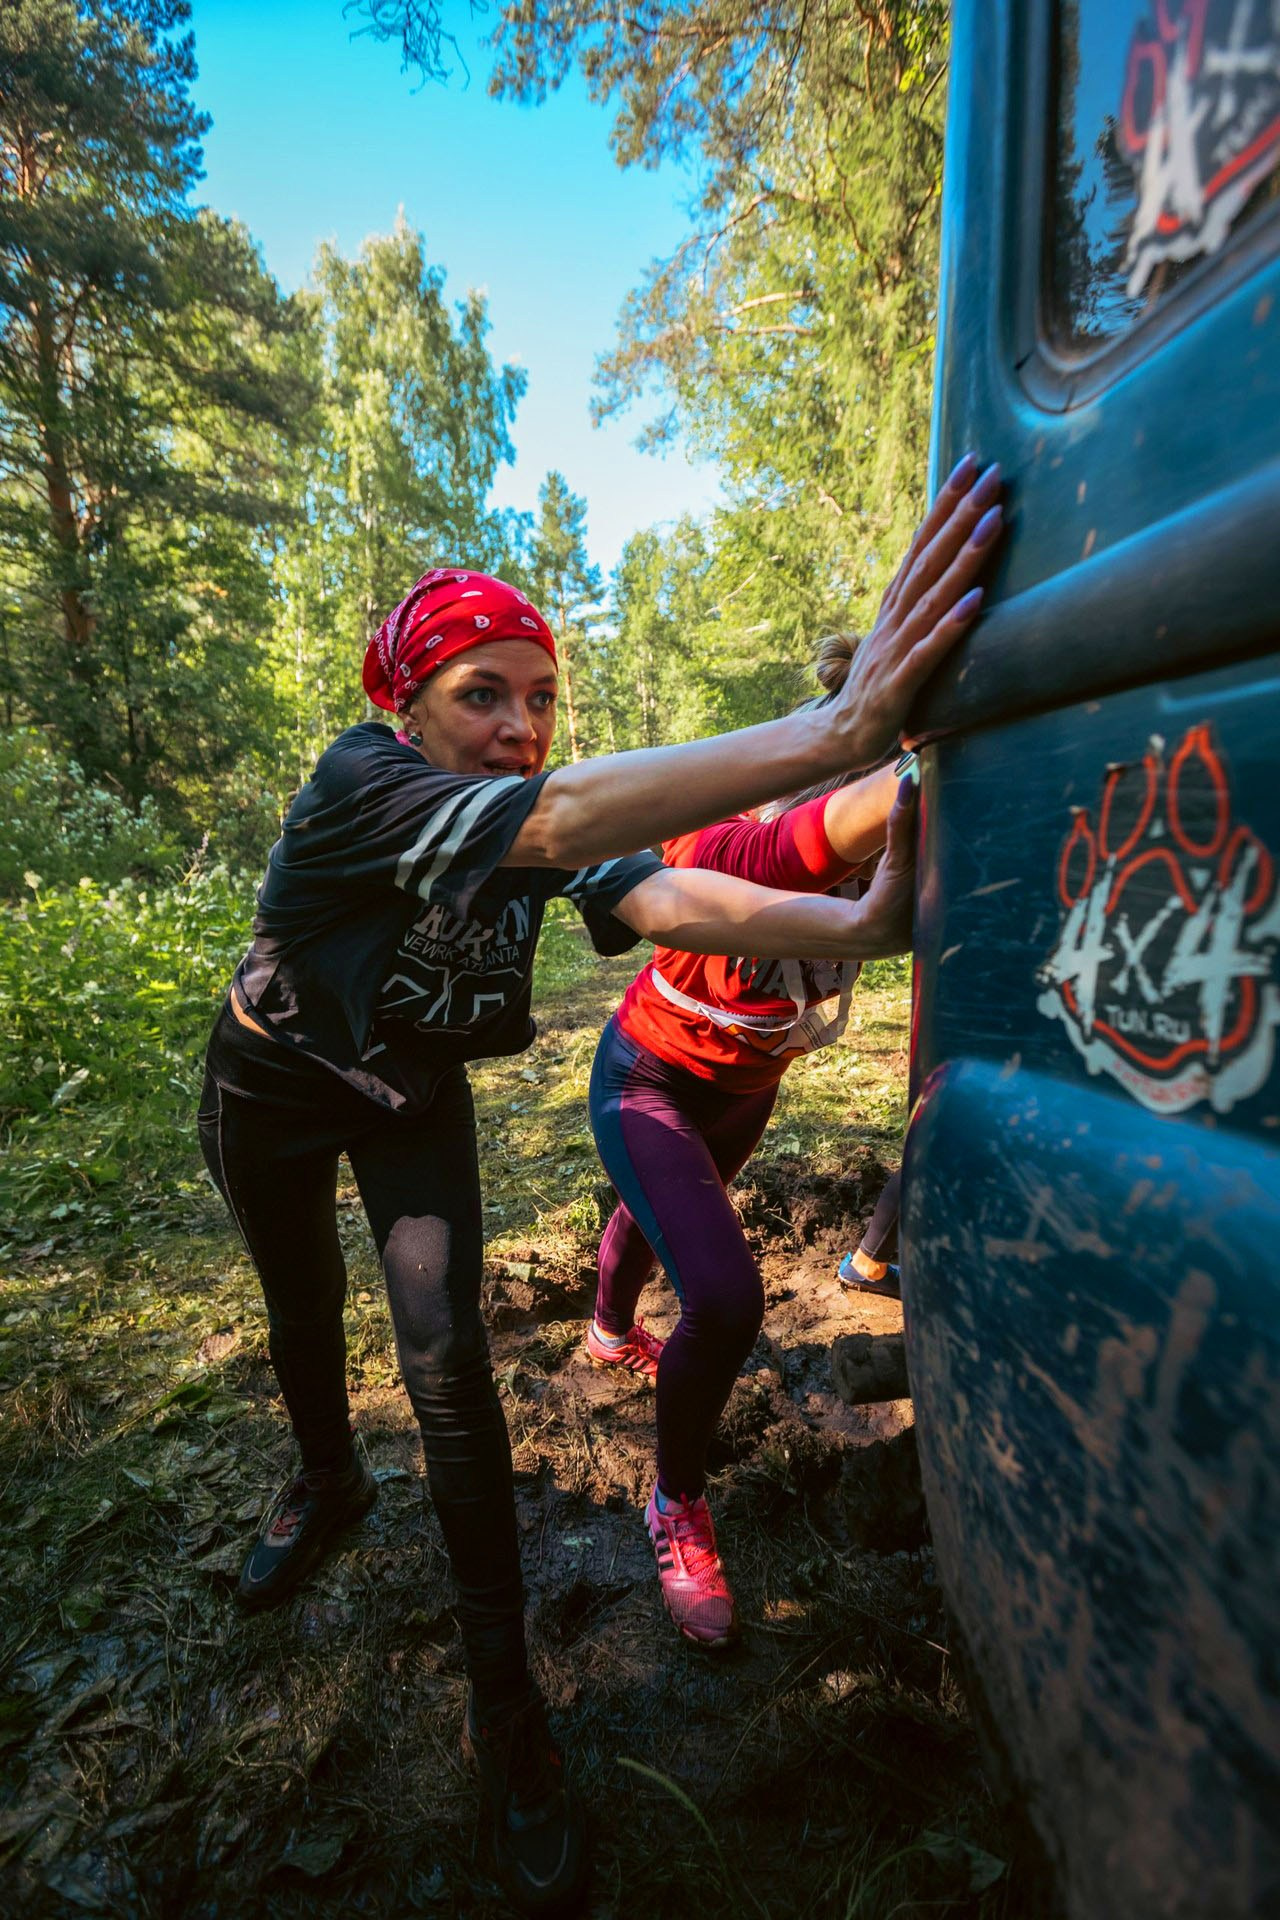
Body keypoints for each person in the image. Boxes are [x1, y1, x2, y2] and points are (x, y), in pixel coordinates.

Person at [197, 453, 1000, 1913]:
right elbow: (566, 821)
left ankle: (508, 1722)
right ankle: (322, 1483)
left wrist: (860, 923)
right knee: (303, 1315)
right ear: (408, 708)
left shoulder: (530, 813)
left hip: (410, 1103)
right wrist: (842, 726)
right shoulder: (359, 782)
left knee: (449, 1378)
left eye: (539, 698)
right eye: (480, 695)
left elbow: (656, 886)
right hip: (271, 1089)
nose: (518, 727)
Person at [581, 636, 919, 1652]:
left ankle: (605, 1332)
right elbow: (817, 835)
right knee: (724, 1299)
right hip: (643, 1078)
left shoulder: (874, 861)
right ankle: (674, 1504)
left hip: (740, 1095)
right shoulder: (730, 848)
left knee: (655, 1217)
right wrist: (920, 749)